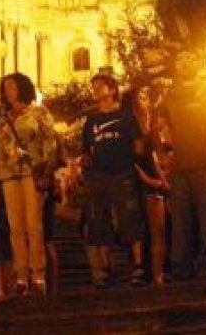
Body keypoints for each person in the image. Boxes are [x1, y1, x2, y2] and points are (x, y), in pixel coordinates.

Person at [160, 50, 206, 280]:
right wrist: (163, 155)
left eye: (189, 58)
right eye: (180, 59)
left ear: (197, 63)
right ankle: (181, 268)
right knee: (181, 221)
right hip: (180, 165)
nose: (184, 63)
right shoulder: (171, 95)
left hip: (205, 161)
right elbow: (158, 126)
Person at [0, 73, 58, 296]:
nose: (9, 91)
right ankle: (21, 275)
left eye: (13, 86)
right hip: (9, 174)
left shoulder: (38, 112)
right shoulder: (2, 119)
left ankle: (37, 273)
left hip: (32, 171)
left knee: (33, 224)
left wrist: (47, 169)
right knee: (15, 227)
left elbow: (50, 140)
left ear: (22, 88)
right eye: (6, 87)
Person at [81, 73, 148, 288]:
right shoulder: (91, 121)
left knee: (129, 218)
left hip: (122, 173)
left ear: (111, 90)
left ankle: (137, 266)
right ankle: (105, 268)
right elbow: (87, 150)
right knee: (99, 222)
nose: (96, 91)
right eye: (94, 87)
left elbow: (138, 146)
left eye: (100, 86)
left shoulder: (126, 117)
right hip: (99, 176)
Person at [125, 85, 170, 286]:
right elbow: (132, 157)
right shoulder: (129, 125)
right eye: (141, 95)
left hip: (151, 180)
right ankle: (140, 269)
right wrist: (148, 178)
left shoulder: (151, 127)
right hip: (137, 180)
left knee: (157, 229)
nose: (146, 99)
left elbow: (155, 156)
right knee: (138, 229)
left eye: (146, 95)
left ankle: (158, 274)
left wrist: (161, 179)